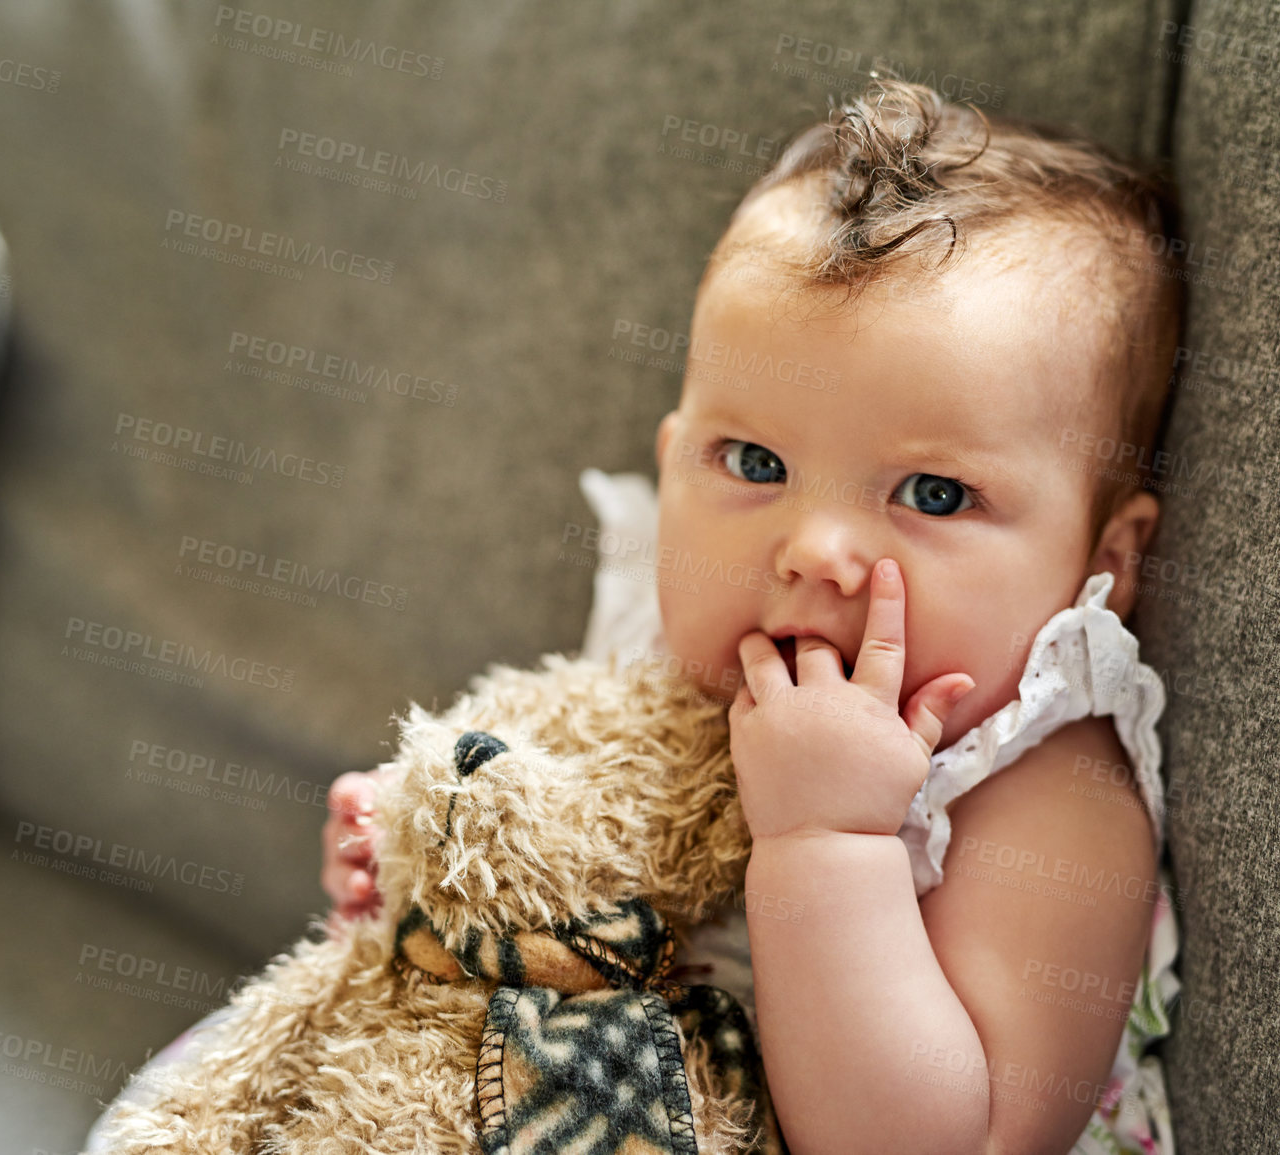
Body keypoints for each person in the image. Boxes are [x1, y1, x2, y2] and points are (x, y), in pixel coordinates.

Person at [112, 74, 1186, 1155]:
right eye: (756, 463)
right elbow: (559, 856)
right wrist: (418, 870)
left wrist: (828, 841)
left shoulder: (1042, 783)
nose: (814, 551)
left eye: (935, 495)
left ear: (1103, 561)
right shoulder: (669, 657)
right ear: (673, 470)